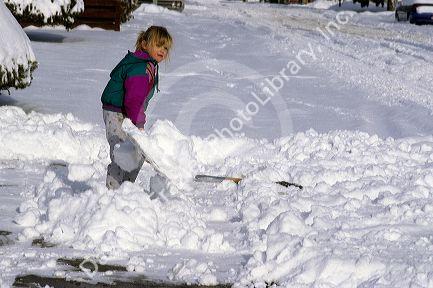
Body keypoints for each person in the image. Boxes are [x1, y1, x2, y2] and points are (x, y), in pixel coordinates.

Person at [101, 26, 173, 189]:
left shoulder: (149, 65)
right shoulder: (140, 67)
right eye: (158, 45)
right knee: (122, 153)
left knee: (136, 152)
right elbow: (134, 100)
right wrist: (138, 123)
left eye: (166, 47)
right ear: (144, 44)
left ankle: (126, 189)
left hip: (126, 113)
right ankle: (112, 192)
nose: (163, 50)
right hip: (116, 113)